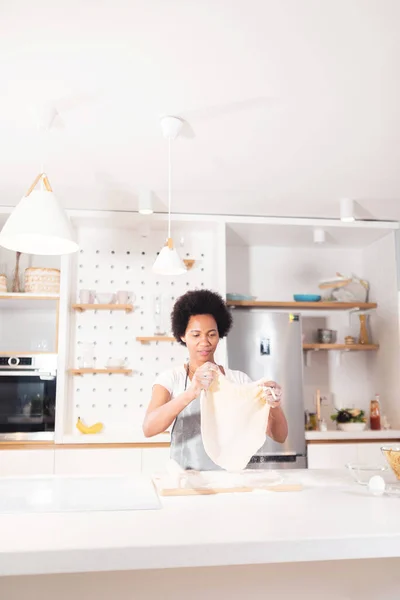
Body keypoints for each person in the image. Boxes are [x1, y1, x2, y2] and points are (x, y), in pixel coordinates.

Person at [143, 289, 288, 470]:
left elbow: (280, 436)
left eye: (211, 334)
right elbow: (149, 428)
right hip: (186, 481)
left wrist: (274, 406)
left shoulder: (238, 379)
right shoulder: (171, 378)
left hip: (229, 479)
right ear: (182, 336)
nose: (204, 342)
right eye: (196, 335)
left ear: (220, 334)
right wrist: (191, 392)